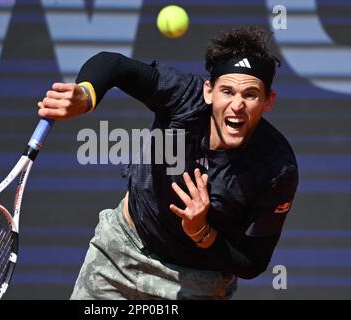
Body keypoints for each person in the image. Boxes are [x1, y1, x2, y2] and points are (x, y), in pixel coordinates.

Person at [38, 26, 299, 300]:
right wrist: (86, 96)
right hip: (119, 252)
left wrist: (202, 231)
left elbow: (252, 263)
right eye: (227, 91)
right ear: (209, 91)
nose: (237, 105)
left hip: (195, 282)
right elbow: (113, 64)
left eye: (250, 94)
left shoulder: (277, 168)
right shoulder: (185, 97)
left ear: (268, 101)